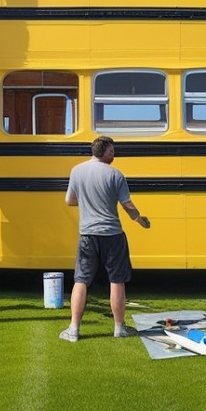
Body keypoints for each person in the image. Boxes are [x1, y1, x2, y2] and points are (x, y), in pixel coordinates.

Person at [59, 135, 151, 342]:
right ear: (103, 152)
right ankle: (120, 328)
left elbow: (69, 201)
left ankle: (73, 329)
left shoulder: (77, 171)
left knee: (81, 280)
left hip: (87, 235)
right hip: (113, 235)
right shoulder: (116, 175)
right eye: (112, 151)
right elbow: (127, 205)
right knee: (116, 281)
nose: (114, 154)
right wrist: (140, 220)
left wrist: (89, 202)